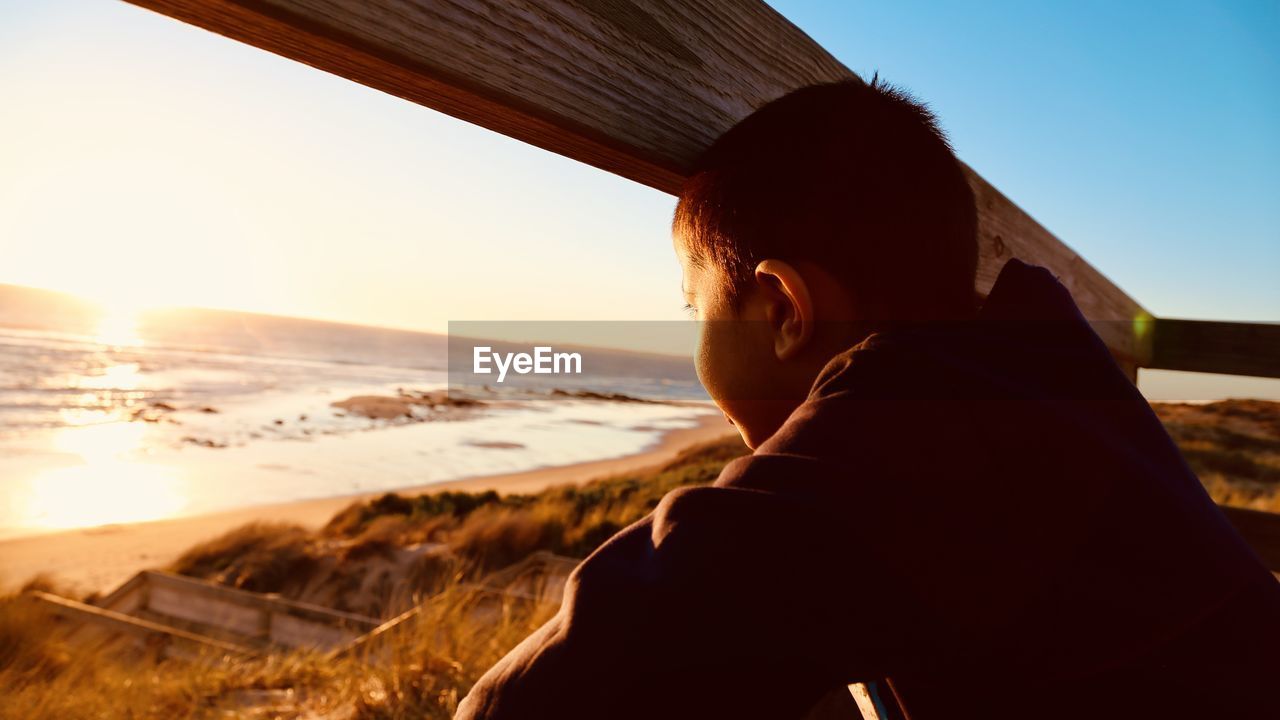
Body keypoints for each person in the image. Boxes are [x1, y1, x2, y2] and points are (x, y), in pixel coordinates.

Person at [455, 77, 1280, 719]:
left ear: (782, 311)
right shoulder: (1039, 377)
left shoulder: (912, 436)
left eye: (693, 308)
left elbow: (553, 696)